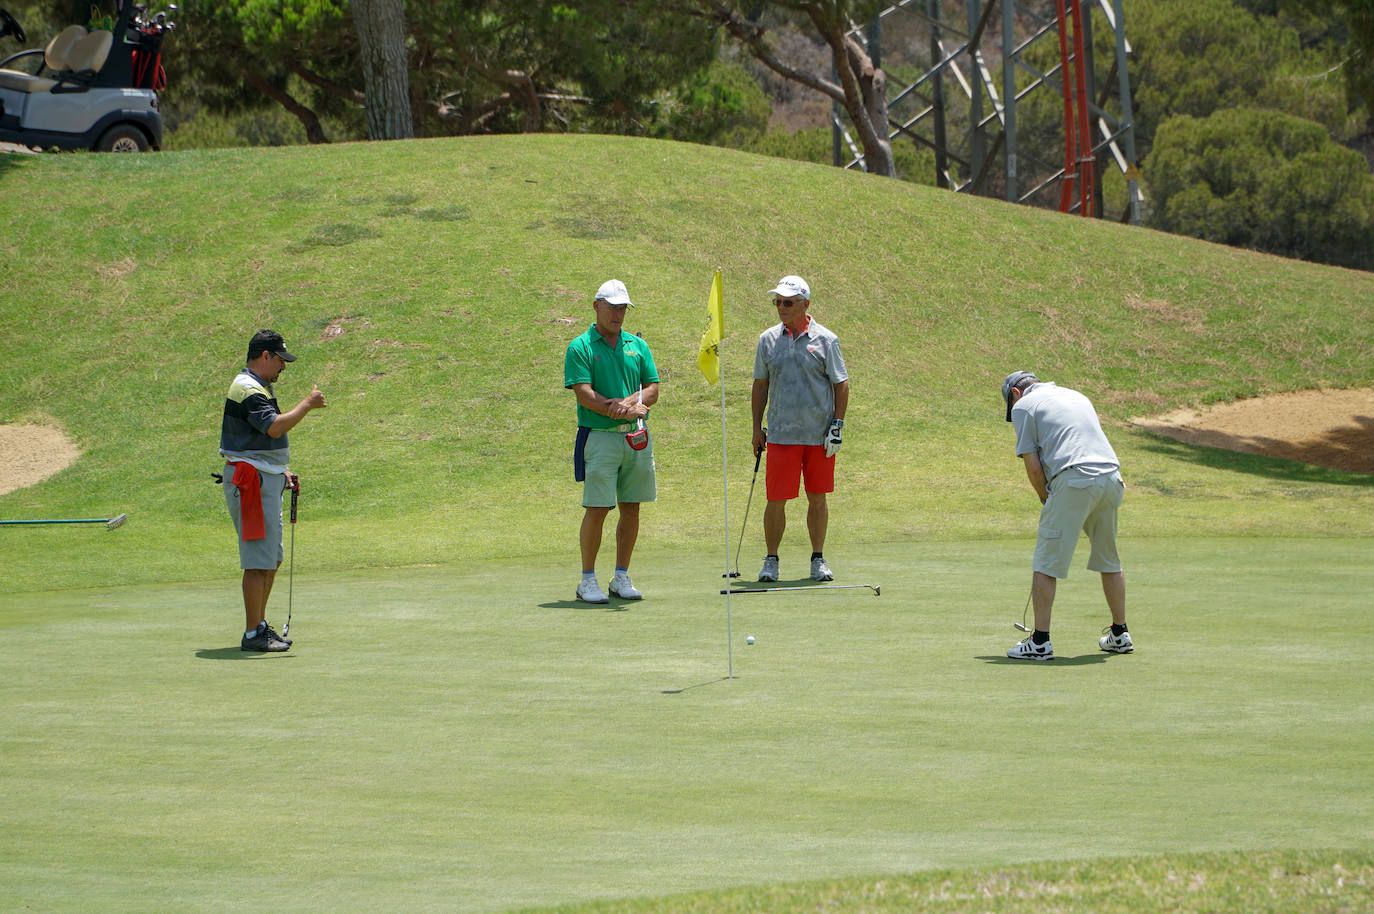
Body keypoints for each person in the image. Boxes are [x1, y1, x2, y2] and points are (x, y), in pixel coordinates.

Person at [1001, 370, 1132, 661]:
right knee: (1108, 558)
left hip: (1075, 480)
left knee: (1046, 562)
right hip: (1112, 478)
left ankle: (1039, 642)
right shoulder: (1076, 395)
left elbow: (1034, 467)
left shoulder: (1024, 406)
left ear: (1015, 394)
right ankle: (1120, 634)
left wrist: (1045, 498)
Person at [220, 330, 326, 652]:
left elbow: (260, 441)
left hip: (262, 478)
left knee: (270, 559)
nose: (283, 367)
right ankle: (253, 633)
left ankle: (260, 626)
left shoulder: (256, 386)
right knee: (258, 561)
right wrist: (307, 405)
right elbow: (274, 427)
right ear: (265, 356)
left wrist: (282, 472)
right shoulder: (248, 388)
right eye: (280, 360)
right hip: (250, 483)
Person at [564, 279, 660, 603]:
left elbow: (653, 389)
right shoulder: (581, 347)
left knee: (631, 506)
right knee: (598, 507)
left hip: (636, 437)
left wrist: (632, 403)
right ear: (596, 306)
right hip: (599, 437)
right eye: (613, 307)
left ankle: (621, 577)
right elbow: (584, 394)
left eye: (623, 308)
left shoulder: (637, 345)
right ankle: (587, 580)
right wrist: (616, 408)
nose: (618, 314)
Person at [751, 275, 849, 583]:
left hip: (818, 436)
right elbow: (760, 384)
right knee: (776, 499)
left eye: (788, 303)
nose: (781, 307)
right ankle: (771, 561)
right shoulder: (768, 339)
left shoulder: (826, 340)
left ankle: (817, 559)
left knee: (817, 498)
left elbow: (840, 384)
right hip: (781, 434)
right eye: (778, 302)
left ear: (805, 304)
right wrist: (756, 427)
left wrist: (837, 425)